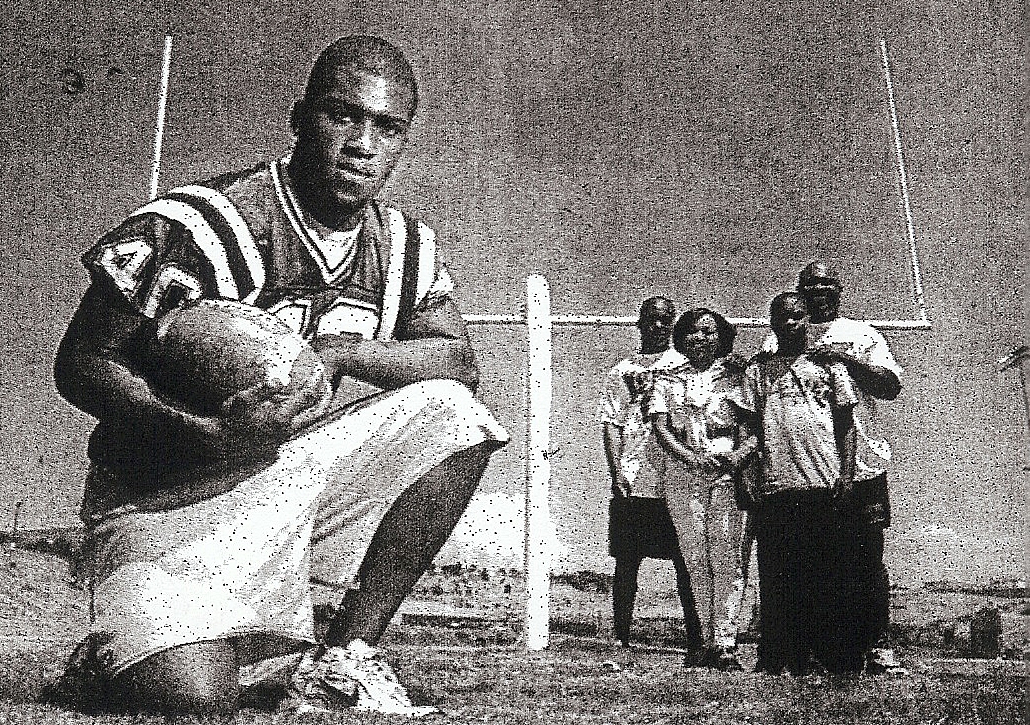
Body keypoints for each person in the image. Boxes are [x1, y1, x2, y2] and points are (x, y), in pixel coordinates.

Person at [51, 36, 509, 716]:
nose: (362, 143)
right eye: (341, 115)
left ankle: (344, 657)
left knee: (456, 412)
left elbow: (455, 358)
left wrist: (340, 350)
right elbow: (83, 362)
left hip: (279, 475)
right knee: (196, 699)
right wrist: (199, 431)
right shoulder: (204, 221)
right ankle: (107, 658)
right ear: (299, 118)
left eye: (386, 126)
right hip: (164, 497)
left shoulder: (404, 246)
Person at [762, 262, 906, 675]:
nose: (819, 290)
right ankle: (816, 647)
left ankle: (878, 645)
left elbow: (890, 385)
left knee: (866, 559)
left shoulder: (861, 334)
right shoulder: (780, 337)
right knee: (811, 562)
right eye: (810, 285)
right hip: (805, 473)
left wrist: (843, 358)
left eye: (826, 283)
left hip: (861, 464)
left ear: (839, 288)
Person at [734, 292, 861, 674]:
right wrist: (746, 474)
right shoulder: (758, 370)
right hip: (776, 485)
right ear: (771, 322)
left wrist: (847, 474)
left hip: (822, 482)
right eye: (781, 317)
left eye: (797, 316)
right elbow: (747, 426)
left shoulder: (828, 366)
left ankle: (829, 657)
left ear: (807, 319)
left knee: (825, 573)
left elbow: (846, 425)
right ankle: (777, 656)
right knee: (777, 574)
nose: (790, 324)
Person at [646, 308, 757, 670]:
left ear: (722, 338)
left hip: (727, 469)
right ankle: (706, 642)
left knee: (727, 556)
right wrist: (690, 459)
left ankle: (726, 641)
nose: (702, 339)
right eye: (693, 332)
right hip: (684, 469)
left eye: (710, 333)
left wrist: (737, 458)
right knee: (695, 558)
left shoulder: (738, 376)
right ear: (682, 338)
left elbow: (751, 427)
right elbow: (661, 429)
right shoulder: (665, 378)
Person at [599, 297, 701, 651]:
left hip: (675, 478)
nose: (659, 326)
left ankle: (696, 638)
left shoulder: (686, 366)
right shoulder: (622, 370)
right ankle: (621, 636)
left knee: (685, 562)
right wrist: (617, 473)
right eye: (652, 320)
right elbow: (612, 425)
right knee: (627, 562)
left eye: (666, 320)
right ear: (640, 323)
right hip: (634, 477)